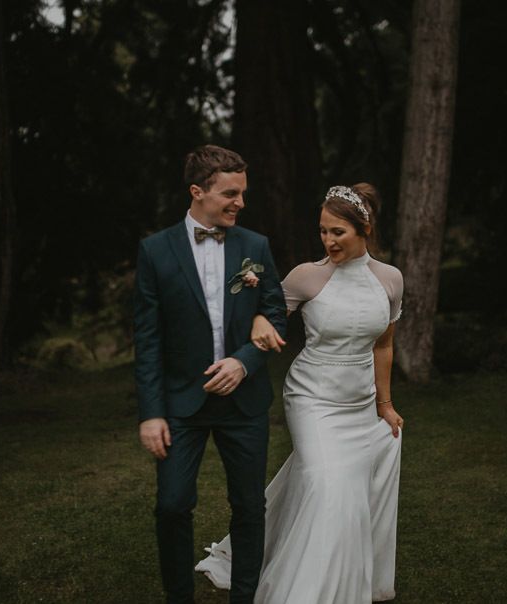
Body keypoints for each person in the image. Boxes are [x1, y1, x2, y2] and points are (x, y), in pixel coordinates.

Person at [196, 182, 404, 603]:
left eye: (338, 232)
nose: (328, 240)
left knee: (324, 488)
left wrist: (384, 403)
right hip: (311, 398)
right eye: (323, 231)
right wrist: (244, 305)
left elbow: (383, 344)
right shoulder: (308, 276)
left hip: (360, 404)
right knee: (331, 487)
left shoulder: (389, 280)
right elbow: (267, 317)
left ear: (363, 229)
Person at [134, 144, 287, 604]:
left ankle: (245, 596)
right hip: (181, 404)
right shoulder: (155, 251)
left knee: (248, 506)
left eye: (242, 193)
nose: (240, 202)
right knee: (172, 504)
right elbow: (148, 341)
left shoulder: (254, 246)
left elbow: (275, 313)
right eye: (231, 194)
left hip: (244, 403)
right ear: (198, 191)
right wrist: (151, 413)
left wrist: (244, 360)